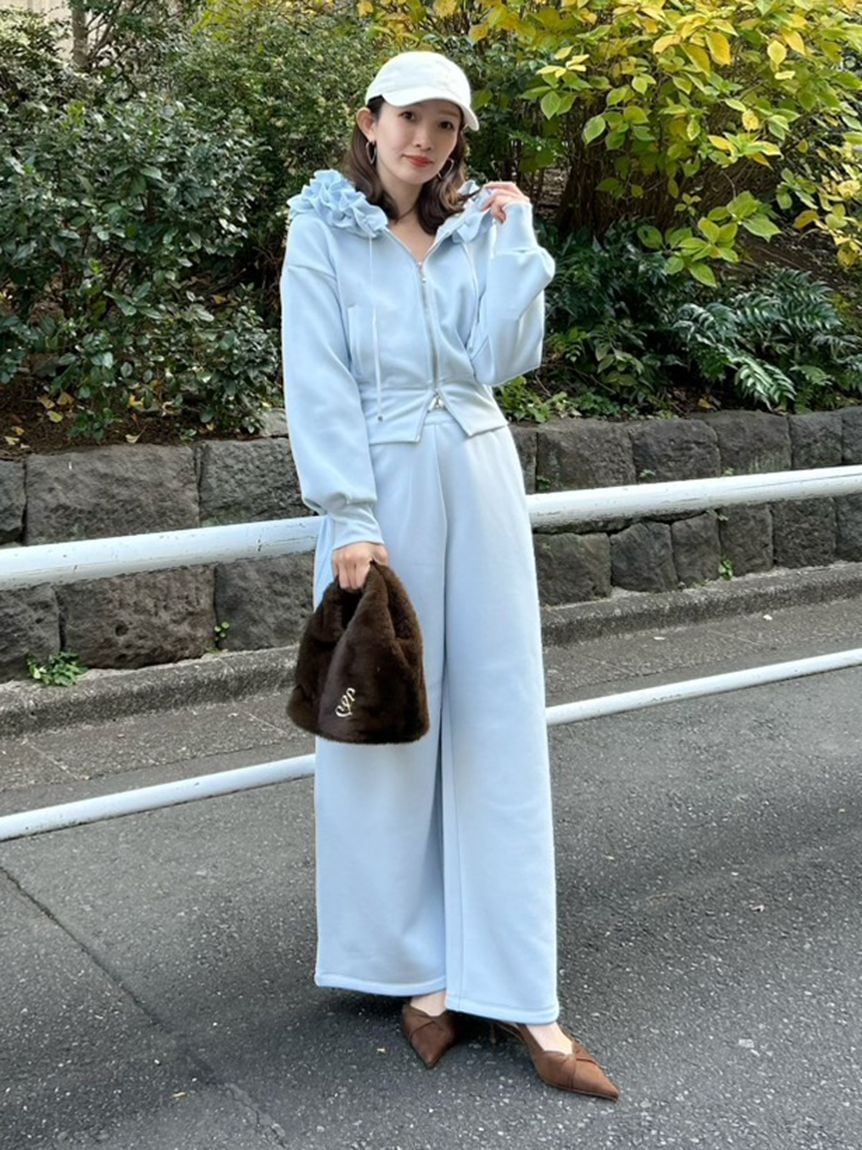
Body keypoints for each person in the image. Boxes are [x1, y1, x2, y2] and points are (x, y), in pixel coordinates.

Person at [280, 49, 618, 1100]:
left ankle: (519, 985)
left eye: (445, 126)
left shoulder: (475, 231)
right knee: (395, 725)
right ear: (370, 120)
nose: (424, 141)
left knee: (499, 721)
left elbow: (501, 359)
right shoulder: (322, 230)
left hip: (478, 479)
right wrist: (346, 512)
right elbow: (317, 373)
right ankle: (414, 969)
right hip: (380, 502)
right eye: (408, 119)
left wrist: (519, 247)